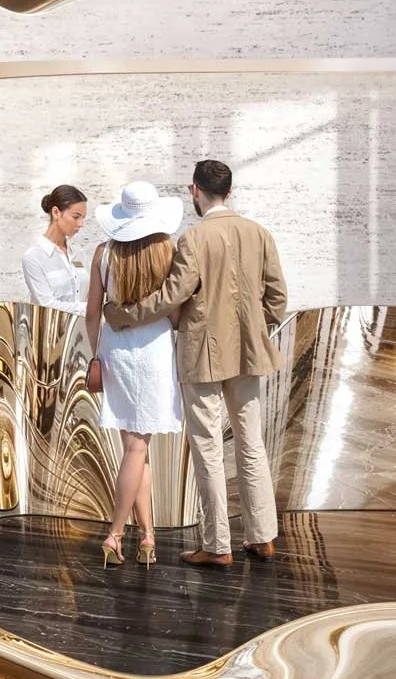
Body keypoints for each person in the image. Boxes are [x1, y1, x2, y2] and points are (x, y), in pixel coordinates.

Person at [106, 159, 289, 567]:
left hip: (202, 356)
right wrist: (258, 330)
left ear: (195, 191)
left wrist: (123, 314)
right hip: (249, 354)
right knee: (251, 444)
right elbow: (277, 297)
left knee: (207, 448)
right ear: (229, 190)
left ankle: (217, 545)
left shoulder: (193, 239)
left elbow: (172, 296)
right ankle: (262, 538)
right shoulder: (260, 233)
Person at [81, 180, 183, 566]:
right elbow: (174, 313)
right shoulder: (167, 251)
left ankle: (148, 536)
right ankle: (115, 534)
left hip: (116, 351)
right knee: (139, 447)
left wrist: (97, 350)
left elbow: (92, 311)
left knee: (136, 449)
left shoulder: (103, 253)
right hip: (155, 351)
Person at [22, 184, 90, 312]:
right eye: (76, 217)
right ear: (56, 212)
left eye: (83, 218)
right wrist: (89, 308)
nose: (81, 224)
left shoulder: (79, 254)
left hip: (82, 331)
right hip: (51, 330)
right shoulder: (33, 258)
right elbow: (47, 306)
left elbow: (90, 295)